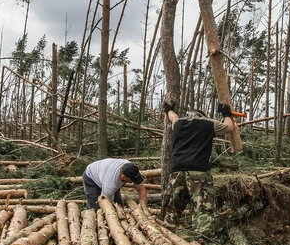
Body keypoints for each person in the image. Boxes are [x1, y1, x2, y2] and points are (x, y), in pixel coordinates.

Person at [162, 100, 235, 237]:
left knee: (173, 207)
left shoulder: (179, 123)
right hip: (198, 172)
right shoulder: (208, 123)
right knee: (202, 209)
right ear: (203, 115)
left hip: (177, 172)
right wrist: (226, 114)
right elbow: (229, 127)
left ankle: (166, 236)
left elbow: (173, 117)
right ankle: (202, 241)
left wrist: (168, 110)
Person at [82, 158, 147, 210]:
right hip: (91, 177)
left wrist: (143, 209)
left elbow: (142, 190)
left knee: (120, 206)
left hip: (105, 175)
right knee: (95, 208)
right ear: (123, 177)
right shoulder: (110, 184)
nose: (134, 182)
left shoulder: (131, 168)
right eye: (132, 180)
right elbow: (105, 201)